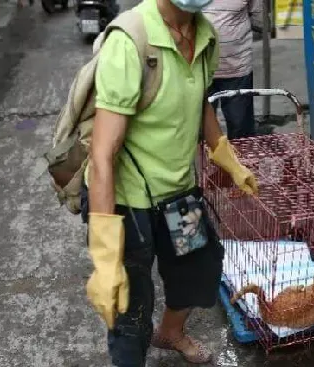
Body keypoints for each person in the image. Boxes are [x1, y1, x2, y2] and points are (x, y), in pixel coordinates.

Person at [83, 0, 258, 365]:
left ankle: (171, 332)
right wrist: (104, 257)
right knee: (130, 307)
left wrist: (226, 155)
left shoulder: (205, 34)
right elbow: (102, 155)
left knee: (200, 267)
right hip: (128, 197)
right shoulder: (131, 38)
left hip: (178, 191)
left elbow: (202, 104)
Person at [202, 0, 262, 139]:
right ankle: (204, 160)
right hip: (199, 69)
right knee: (199, 129)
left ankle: (240, 159)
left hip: (237, 69)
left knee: (241, 130)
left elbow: (260, 19)